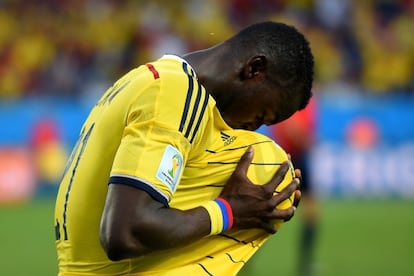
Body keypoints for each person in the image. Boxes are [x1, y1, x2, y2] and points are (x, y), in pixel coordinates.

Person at [54, 21, 314, 275]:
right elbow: (125, 233)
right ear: (255, 69)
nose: (253, 127)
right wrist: (228, 211)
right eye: (262, 115)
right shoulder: (176, 93)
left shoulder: (146, 78)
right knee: (270, 171)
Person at [269, 96, 319, 276]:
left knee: (311, 212)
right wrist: (308, 143)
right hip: (289, 158)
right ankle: (305, 264)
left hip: (293, 157)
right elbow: (290, 127)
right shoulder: (300, 95)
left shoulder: (306, 96)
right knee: (265, 211)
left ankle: (305, 263)